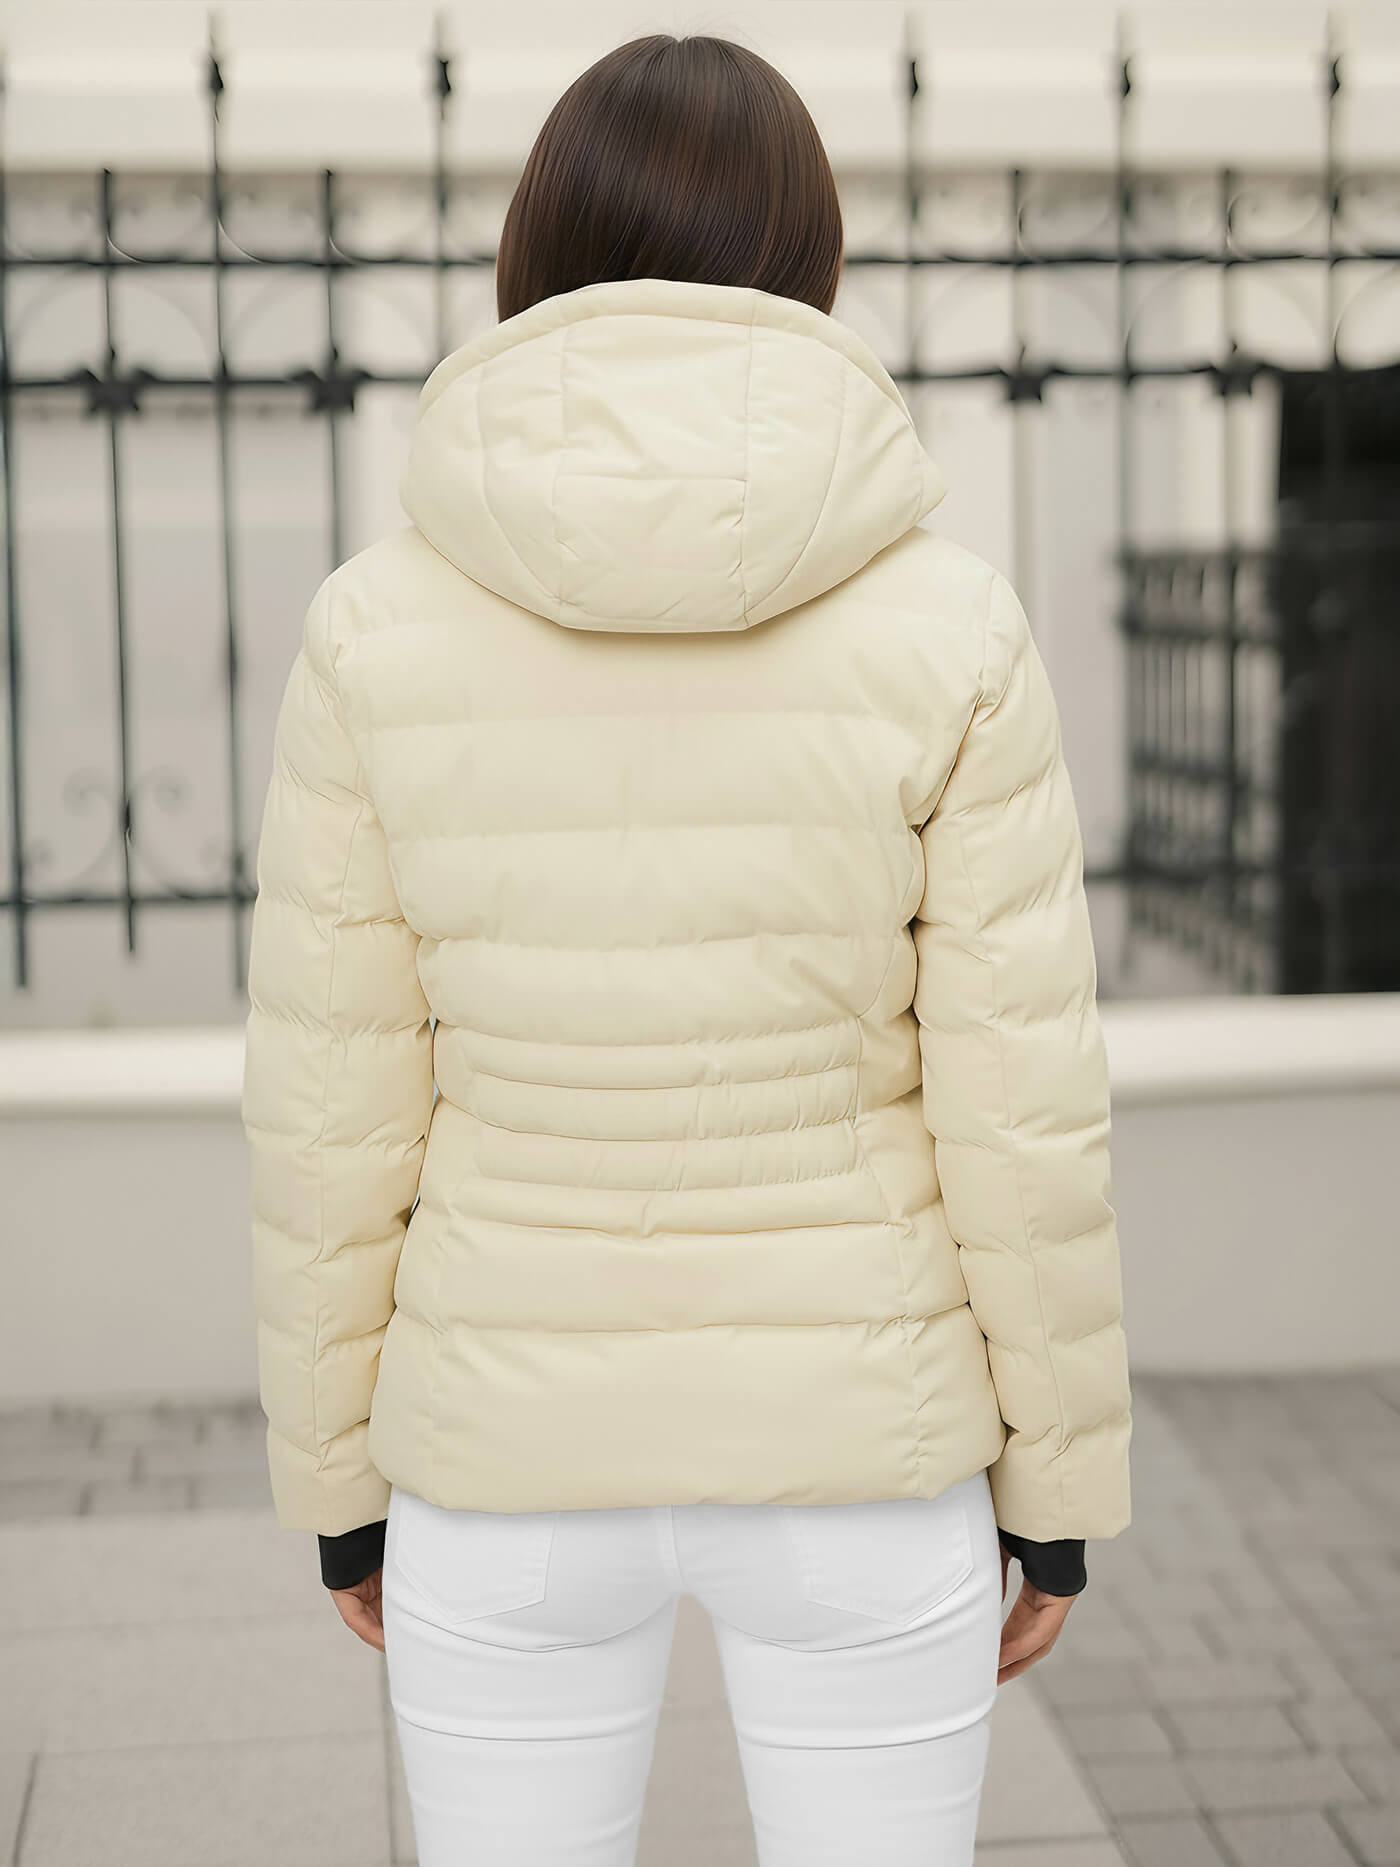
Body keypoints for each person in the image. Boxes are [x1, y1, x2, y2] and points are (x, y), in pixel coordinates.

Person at [241, 30, 1131, 1867]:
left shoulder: (372, 629)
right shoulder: (953, 624)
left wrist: (335, 1479)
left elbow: (332, 1111)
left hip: (502, 1456)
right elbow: (1021, 1105)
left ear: (533, 248)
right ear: (812, 258)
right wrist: (1057, 1487)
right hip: (862, 1445)